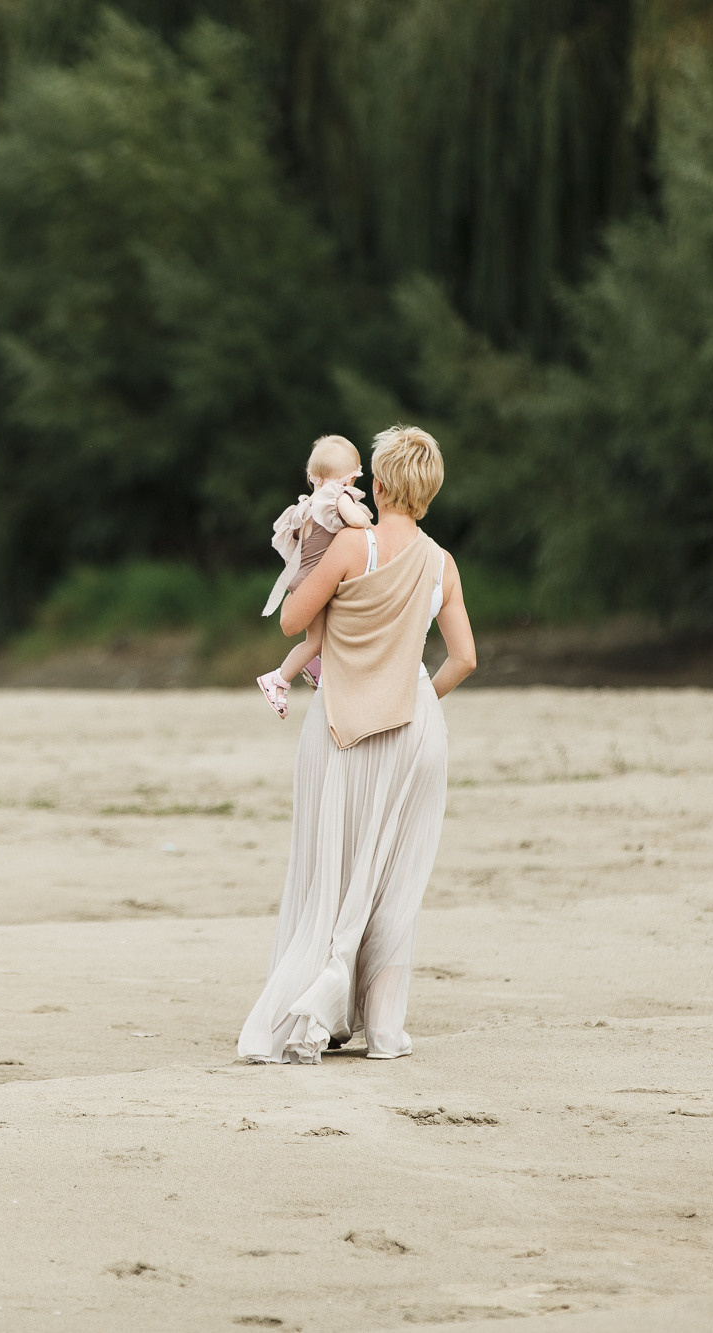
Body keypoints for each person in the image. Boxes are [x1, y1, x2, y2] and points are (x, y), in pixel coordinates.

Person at [237, 424, 476, 1064]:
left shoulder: (351, 546)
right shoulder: (442, 563)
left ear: (377, 481)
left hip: (345, 723)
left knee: (328, 869)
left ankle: (317, 1014)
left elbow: (291, 621)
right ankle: (384, 1028)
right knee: (396, 879)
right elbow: (463, 659)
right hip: (416, 728)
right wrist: (416, 696)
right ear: (428, 491)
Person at [256, 436, 373, 719]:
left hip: (304, 579)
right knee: (316, 640)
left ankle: (315, 668)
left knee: (320, 637)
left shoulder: (309, 505)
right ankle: (279, 679)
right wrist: (370, 525)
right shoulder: (338, 498)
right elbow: (358, 521)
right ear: (348, 479)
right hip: (317, 583)